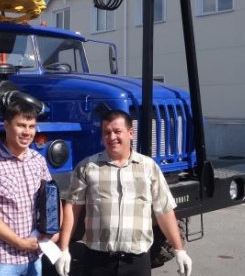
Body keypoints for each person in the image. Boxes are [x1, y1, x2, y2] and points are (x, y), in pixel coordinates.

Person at [55, 109, 193, 276]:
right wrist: (63, 249)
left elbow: (164, 210)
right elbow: (72, 208)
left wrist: (179, 249)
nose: (112, 137)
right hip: (97, 262)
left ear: (130, 133)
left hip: (136, 263)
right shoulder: (87, 167)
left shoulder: (148, 167)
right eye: (107, 132)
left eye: (117, 131)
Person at [0, 101, 53, 276]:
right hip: (0, 261)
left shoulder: (37, 160)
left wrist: (53, 231)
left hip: (33, 257)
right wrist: (19, 243)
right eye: (21, 125)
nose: (27, 132)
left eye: (31, 126)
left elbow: (51, 197)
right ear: (6, 125)